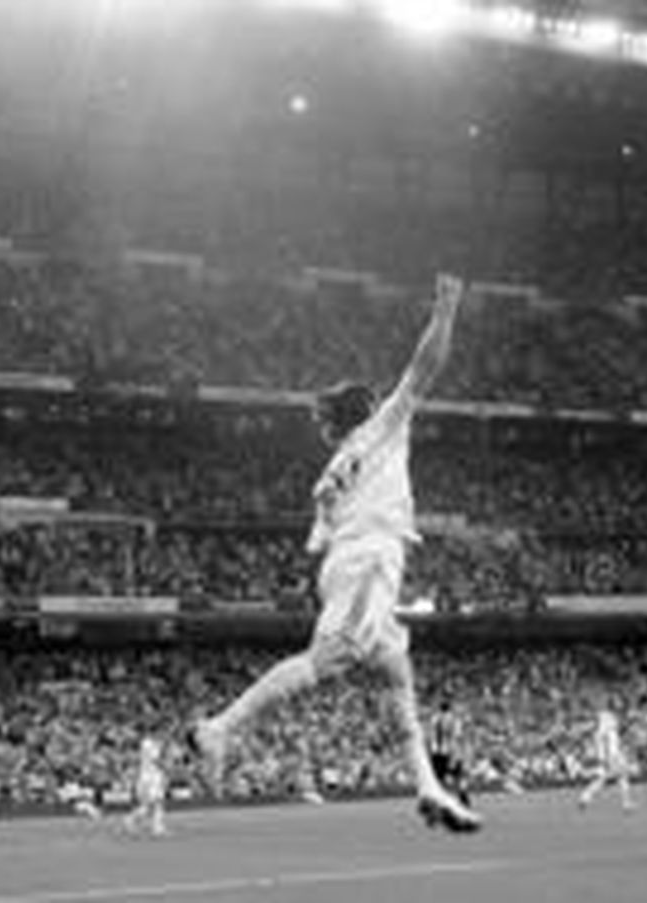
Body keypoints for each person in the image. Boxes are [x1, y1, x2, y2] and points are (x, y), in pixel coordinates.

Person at [190, 274, 480, 833]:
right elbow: (422, 372)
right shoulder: (381, 430)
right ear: (365, 410)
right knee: (323, 665)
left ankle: (429, 787)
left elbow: (316, 547)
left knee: (398, 675)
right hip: (369, 564)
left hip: (350, 569)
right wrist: (445, 312)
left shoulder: (328, 478)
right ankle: (220, 728)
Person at [578, 700, 635, 812]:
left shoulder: (609, 719)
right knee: (617, 776)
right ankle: (626, 803)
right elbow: (596, 727)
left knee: (614, 777)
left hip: (607, 753)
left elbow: (615, 732)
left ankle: (585, 797)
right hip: (611, 754)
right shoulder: (606, 717)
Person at [428, 700, 472, 808]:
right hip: (449, 751)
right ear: (450, 708)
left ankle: (440, 799)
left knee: (440, 778)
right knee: (458, 775)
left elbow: (431, 735)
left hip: (435, 753)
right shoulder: (453, 719)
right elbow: (457, 735)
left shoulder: (434, 718)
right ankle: (462, 796)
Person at [124, 736, 168, 837]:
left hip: (150, 776)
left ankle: (156, 827)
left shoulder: (150, 743)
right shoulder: (149, 744)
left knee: (153, 804)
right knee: (154, 803)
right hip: (150, 778)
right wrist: (165, 766)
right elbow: (156, 760)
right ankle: (132, 819)